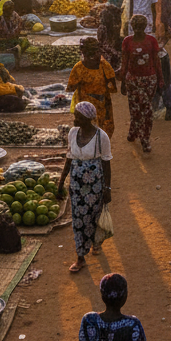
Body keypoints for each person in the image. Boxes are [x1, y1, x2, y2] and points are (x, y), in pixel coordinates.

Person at [57, 103, 113, 273]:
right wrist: (61, 182)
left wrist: (107, 189)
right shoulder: (73, 133)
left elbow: (106, 164)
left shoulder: (101, 137)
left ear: (88, 119)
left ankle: (96, 242)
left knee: (94, 216)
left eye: (78, 117)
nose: (75, 119)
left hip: (94, 185)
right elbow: (69, 158)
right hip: (76, 184)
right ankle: (80, 257)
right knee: (79, 220)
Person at [119, 15, 164, 153]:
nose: (138, 30)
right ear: (132, 27)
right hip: (133, 80)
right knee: (135, 109)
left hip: (149, 80)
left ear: (145, 27)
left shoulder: (151, 41)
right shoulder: (127, 41)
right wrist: (122, 82)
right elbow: (124, 62)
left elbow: (156, 61)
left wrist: (161, 79)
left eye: (140, 27)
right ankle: (136, 132)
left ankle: (143, 137)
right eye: (136, 27)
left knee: (146, 109)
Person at [67, 37, 117, 138]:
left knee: (89, 132)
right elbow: (112, 87)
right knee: (103, 131)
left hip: (87, 107)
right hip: (102, 105)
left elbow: (71, 87)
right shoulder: (104, 66)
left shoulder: (78, 68)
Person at [97, 2, 123, 70]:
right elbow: (103, 44)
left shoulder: (107, 27)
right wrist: (116, 53)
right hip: (110, 55)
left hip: (111, 55)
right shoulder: (105, 28)